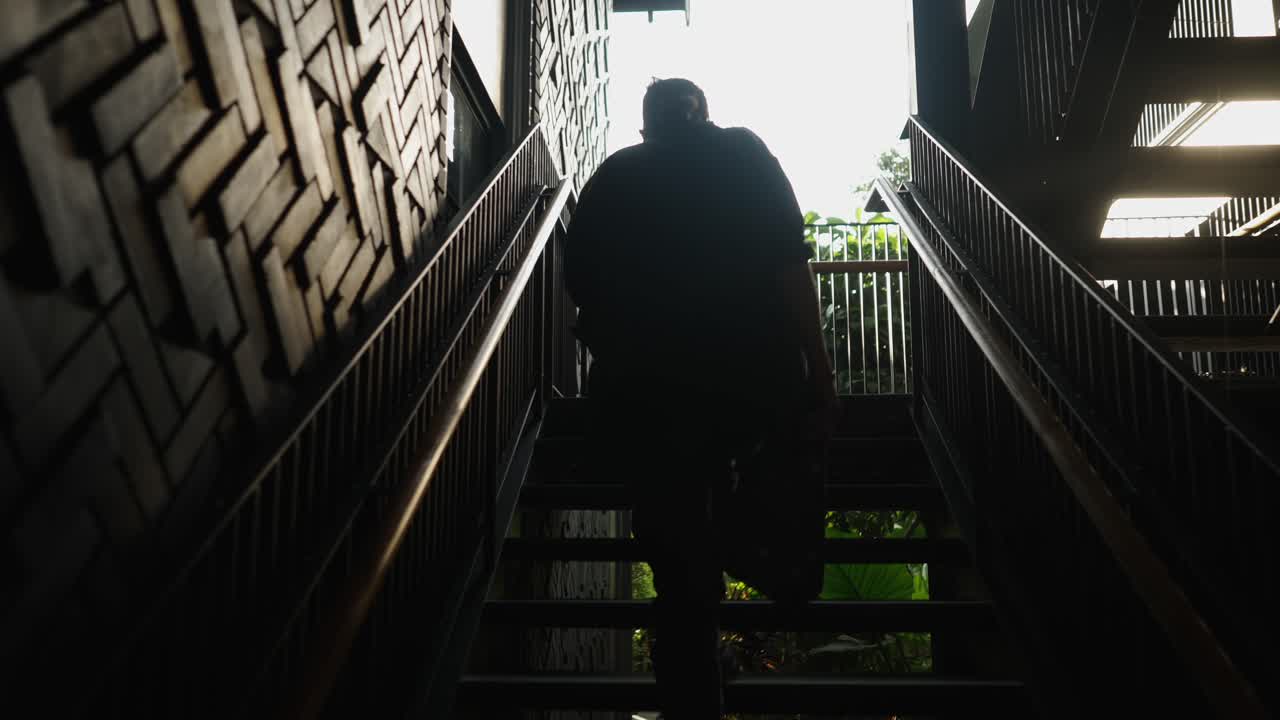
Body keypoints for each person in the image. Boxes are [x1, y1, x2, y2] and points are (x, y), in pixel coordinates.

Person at [564, 78, 835, 719]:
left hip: (649, 402)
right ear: (705, 114)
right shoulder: (743, 154)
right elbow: (788, 265)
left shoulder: (616, 175)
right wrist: (819, 374)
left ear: (646, 127)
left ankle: (694, 680)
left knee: (677, 563)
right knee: (754, 507)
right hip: (750, 391)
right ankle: (744, 587)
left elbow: (581, 287)